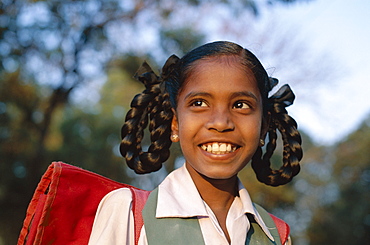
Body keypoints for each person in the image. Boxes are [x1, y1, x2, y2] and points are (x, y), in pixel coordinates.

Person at [88, 41, 303, 245]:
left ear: (263, 126)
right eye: (199, 103)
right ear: (175, 124)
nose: (220, 123)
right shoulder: (129, 213)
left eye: (240, 105)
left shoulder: (277, 235)